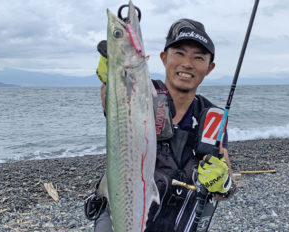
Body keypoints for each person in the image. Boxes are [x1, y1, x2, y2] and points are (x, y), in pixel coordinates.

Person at [87, 18, 237, 232]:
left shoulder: (211, 118)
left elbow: (226, 189)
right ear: (164, 57)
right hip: (125, 215)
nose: (187, 63)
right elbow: (113, 105)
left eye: (198, 57)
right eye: (179, 53)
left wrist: (224, 184)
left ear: (209, 67)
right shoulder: (142, 94)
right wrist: (111, 78)